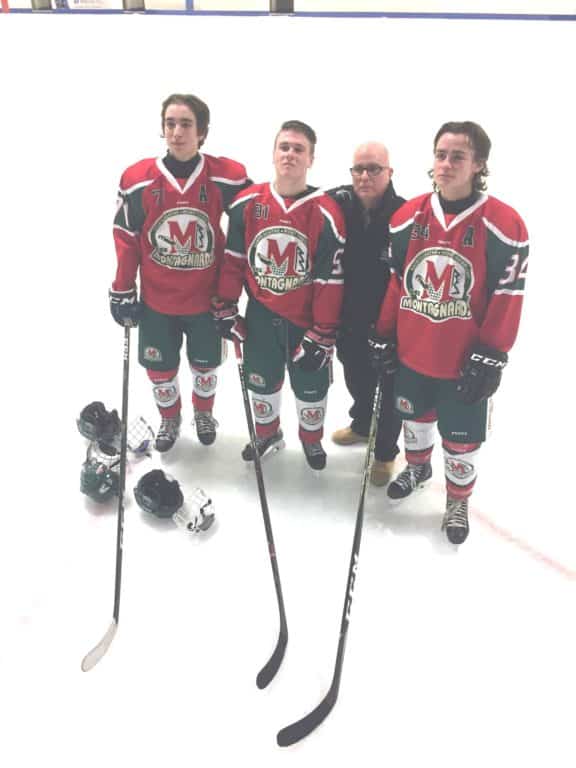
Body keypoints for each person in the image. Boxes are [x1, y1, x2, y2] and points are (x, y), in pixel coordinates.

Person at [369, 121, 529, 544]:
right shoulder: (406, 218)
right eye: (441, 154)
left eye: (458, 156)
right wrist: (383, 332)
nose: (446, 163)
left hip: (462, 362)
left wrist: (493, 352)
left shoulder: (505, 224)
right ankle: (418, 467)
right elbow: (398, 282)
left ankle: (457, 499)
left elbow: (508, 294)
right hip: (414, 353)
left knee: (461, 442)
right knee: (415, 423)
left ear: (479, 165)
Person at [109, 93, 250, 452]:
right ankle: (169, 418)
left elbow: (253, 222)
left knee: (205, 367)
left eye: (186, 124)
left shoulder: (226, 176)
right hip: (158, 299)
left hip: (207, 300)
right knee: (160, 369)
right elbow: (126, 237)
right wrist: (123, 288)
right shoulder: (138, 179)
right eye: (170, 124)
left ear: (202, 131)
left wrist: (232, 292)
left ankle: (204, 413)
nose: (176, 132)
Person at [212, 120, 346, 471]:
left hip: (305, 320)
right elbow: (234, 260)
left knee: (311, 385)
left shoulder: (327, 211)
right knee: (261, 378)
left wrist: (323, 331)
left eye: (299, 149)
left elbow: (329, 280)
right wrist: (225, 305)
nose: (290, 154)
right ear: (273, 153)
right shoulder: (247, 203)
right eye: (284, 147)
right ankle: (267, 433)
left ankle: (311, 439)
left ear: (311, 159)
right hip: (260, 314)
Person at [327, 142, 405, 486]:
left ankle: (386, 453)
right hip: (348, 318)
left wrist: (392, 329)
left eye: (374, 169)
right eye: (358, 169)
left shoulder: (405, 215)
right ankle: (361, 425)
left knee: (387, 391)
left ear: (390, 173)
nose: (365, 176)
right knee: (356, 377)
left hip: (389, 325)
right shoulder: (339, 205)